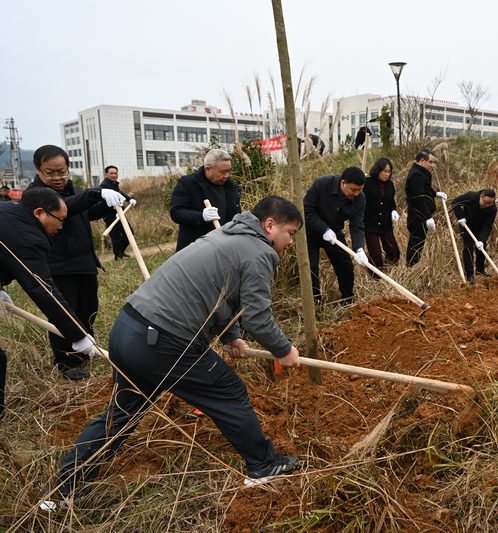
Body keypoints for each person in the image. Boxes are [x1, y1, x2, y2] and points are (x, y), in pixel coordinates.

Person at [40, 196, 304, 511]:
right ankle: (263, 465)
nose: (291, 242)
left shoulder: (227, 235)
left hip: (129, 328)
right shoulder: (260, 252)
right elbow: (258, 318)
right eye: (290, 233)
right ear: (270, 225)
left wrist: (231, 336)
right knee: (229, 391)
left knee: (121, 415)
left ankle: (61, 492)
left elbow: (222, 291)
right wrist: (284, 350)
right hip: (163, 340)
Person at [26, 145, 126, 380]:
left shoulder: (72, 189)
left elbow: (86, 212)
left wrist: (108, 201)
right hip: (59, 265)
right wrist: (95, 193)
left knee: (88, 308)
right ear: (38, 170)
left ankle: (85, 350)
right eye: (50, 172)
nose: (57, 177)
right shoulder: (35, 195)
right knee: (64, 313)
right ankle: (66, 361)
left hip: (84, 262)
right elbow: (67, 207)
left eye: (62, 171)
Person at [1, 188, 98, 420]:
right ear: (39, 213)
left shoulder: (7, 213)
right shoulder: (28, 239)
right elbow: (43, 290)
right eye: (60, 220)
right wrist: (78, 335)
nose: (62, 226)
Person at [303, 167, 368, 303]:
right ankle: (315, 303)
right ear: (343, 183)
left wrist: (359, 248)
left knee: (345, 266)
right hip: (310, 232)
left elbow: (357, 225)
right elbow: (306, 210)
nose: (356, 193)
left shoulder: (360, 199)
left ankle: (347, 300)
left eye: (360, 190)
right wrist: (323, 228)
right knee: (310, 268)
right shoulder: (322, 184)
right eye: (353, 190)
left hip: (334, 234)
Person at [170, 148, 241, 252]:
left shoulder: (231, 187)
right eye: (222, 172)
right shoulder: (188, 184)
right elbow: (176, 212)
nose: (227, 175)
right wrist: (201, 216)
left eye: (228, 171)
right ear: (208, 169)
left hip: (223, 246)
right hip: (195, 248)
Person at [405, 149, 447, 266]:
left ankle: (412, 264)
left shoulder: (422, 172)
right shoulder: (416, 175)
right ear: (422, 161)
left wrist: (435, 194)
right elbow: (418, 197)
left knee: (419, 240)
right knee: (416, 241)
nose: (432, 165)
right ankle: (411, 266)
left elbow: (425, 189)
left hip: (421, 214)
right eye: (430, 162)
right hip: (418, 215)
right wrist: (427, 217)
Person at [363, 158, 401, 269]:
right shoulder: (367, 183)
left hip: (385, 224)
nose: (387, 174)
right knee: (376, 258)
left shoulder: (390, 185)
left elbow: (391, 201)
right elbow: (358, 198)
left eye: (389, 172)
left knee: (394, 252)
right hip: (370, 224)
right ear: (377, 170)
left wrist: (394, 210)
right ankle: (375, 275)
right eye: (384, 171)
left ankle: (390, 271)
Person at [452, 189, 497, 282]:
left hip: (480, 229)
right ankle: (469, 274)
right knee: (468, 248)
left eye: (490, 204)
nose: (487, 205)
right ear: (481, 197)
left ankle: (480, 270)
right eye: (485, 203)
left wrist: (482, 240)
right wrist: (460, 217)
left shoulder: (492, 209)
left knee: (481, 248)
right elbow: (455, 202)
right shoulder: (471, 196)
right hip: (466, 225)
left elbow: (488, 226)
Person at [100, 165, 136, 260]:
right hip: (110, 215)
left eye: (115, 173)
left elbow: (119, 193)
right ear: (106, 174)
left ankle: (121, 252)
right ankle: (118, 256)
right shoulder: (104, 186)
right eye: (111, 173)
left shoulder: (114, 184)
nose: (114, 175)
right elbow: (103, 200)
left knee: (129, 233)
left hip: (120, 214)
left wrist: (129, 199)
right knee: (116, 236)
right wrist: (113, 209)